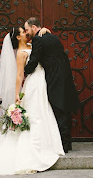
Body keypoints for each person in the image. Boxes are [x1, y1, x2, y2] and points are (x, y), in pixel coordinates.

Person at [0, 26, 65, 175]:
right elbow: (19, 75)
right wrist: (16, 95)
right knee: (35, 116)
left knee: (43, 113)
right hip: (32, 86)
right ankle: (33, 152)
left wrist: (44, 31)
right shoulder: (21, 53)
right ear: (18, 38)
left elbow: (43, 47)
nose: (26, 33)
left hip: (41, 84)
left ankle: (47, 147)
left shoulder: (33, 45)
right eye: (22, 32)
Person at [24, 17, 80, 153]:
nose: (26, 32)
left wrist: (23, 72)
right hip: (64, 76)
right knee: (64, 109)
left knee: (57, 109)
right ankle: (67, 143)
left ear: (34, 27)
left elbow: (34, 60)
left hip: (54, 77)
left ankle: (62, 145)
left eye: (27, 29)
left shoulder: (38, 39)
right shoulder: (53, 37)